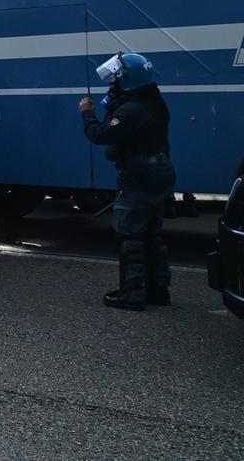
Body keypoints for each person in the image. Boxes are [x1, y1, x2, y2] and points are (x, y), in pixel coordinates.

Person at [80, 52, 175, 311]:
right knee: (152, 234)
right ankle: (158, 290)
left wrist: (87, 113)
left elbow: (100, 135)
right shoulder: (153, 101)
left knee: (131, 234)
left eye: (115, 78)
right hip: (159, 170)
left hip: (139, 175)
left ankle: (132, 294)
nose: (112, 83)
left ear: (127, 80)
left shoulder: (131, 109)